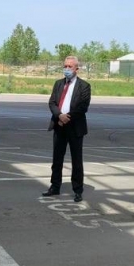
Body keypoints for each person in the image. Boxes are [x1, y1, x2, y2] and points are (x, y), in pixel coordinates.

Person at [42, 56, 91, 203]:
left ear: (77, 68)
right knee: (57, 158)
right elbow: (52, 102)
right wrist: (59, 116)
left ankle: (77, 190)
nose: (67, 69)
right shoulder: (58, 84)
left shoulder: (84, 86)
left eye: (70, 67)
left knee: (76, 160)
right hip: (59, 126)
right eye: (65, 66)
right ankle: (54, 186)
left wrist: (66, 117)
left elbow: (83, 107)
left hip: (75, 127)